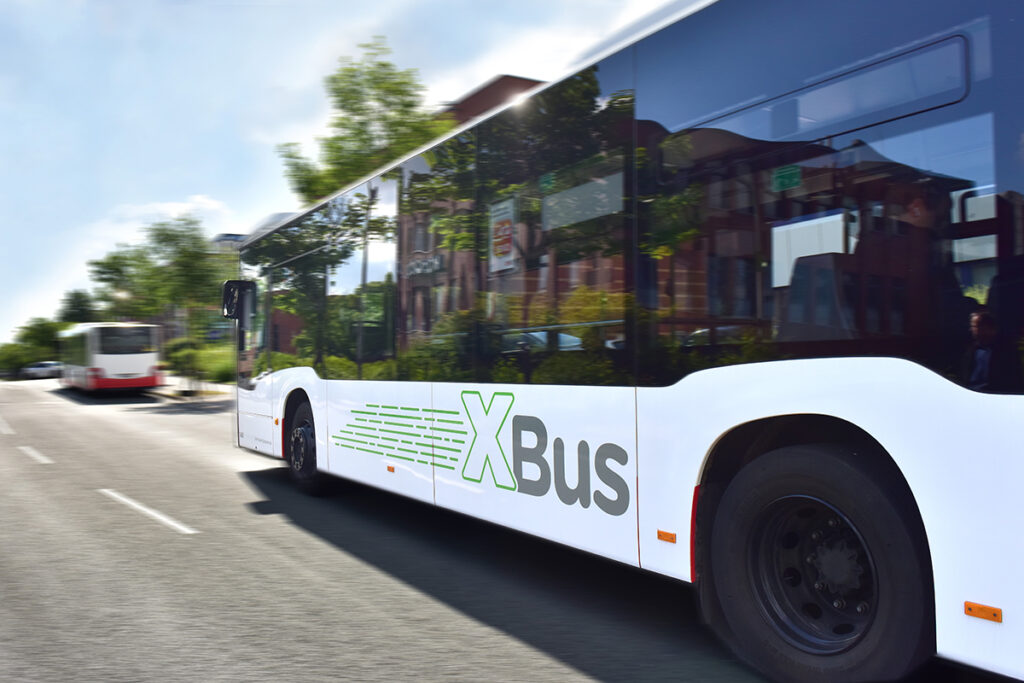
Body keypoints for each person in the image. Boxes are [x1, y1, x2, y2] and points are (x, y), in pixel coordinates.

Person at [962, 309, 1024, 394]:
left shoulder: (1006, 351)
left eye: (976, 326)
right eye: (973, 326)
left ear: (990, 328)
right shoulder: (971, 350)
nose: (972, 330)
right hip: (970, 392)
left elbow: (1014, 377)